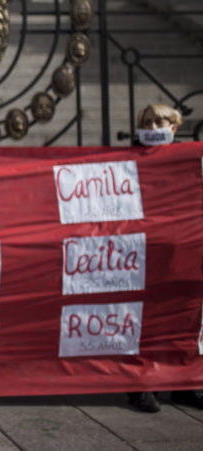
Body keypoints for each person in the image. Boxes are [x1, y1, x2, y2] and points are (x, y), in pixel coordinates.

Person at [127, 103, 203, 413]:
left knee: (188, 320)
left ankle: (185, 384)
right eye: (147, 121)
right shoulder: (126, 160)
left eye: (160, 120)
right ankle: (142, 386)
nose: (153, 125)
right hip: (146, 253)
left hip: (188, 251)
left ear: (174, 127)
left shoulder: (192, 160)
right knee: (146, 322)